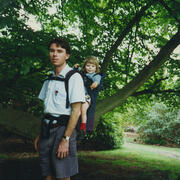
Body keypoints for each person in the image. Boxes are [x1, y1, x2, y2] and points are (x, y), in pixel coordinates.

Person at [34, 37, 85, 180]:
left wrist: (66, 139)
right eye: (52, 51)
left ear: (67, 55)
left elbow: (76, 111)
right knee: (47, 174)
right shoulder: (49, 78)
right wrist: (40, 133)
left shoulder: (73, 77)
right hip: (46, 130)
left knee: (62, 175)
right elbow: (47, 110)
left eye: (59, 51)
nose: (54, 54)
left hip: (63, 130)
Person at [74, 56, 101, 133]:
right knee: (77, 111)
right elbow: (76, 70)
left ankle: (83, 126)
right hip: (78, 96)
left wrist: (95, 83)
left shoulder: (96, 75)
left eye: (93, 66)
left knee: (83, 110)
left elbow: (97, 80)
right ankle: (73, 124)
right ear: (85, 66)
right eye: (88, 66)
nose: (90, 68)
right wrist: (75, 67)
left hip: (87, 96)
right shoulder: (82, 73)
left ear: (96, 68)